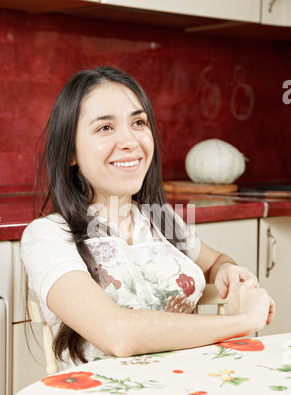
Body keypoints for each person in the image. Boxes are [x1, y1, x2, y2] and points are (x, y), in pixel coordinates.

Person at [21, 66, 275, 368]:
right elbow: (118, 334)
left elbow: (217, 261)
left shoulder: (160, 219)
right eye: (105, 128)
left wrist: (228, 271)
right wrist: (243, 321)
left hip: (188, 388)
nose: (130, 141)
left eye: (138, 122)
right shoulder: (48, 236)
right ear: (69, 152)